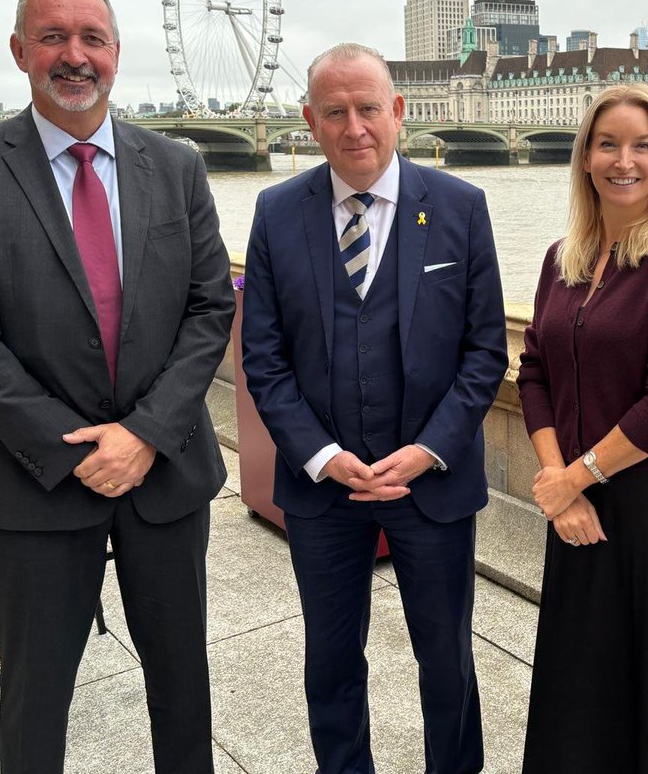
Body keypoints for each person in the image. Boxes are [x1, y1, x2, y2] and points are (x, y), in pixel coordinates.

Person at [0, 0, 234, 774]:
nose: (74, 56)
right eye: (54, 37)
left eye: (92, 38)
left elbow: (209, 311)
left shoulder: (177, 165)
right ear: (20, 51)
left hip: (163, 477)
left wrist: (144, 435)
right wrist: (76, 449)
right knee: (36, 698)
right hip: (33, 486)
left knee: (182, 685)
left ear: (117, 55)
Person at [240, 43, 507, 774]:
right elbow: (262, 359)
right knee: (329, 658)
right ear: (309, 121)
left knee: (446, 660)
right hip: (324, 492)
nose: (354, 126)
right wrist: (324, 458)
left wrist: (427, 451)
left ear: (398, 112)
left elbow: (486, 353)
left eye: (367, 108)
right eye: (334, 112)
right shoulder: (274, 213)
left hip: (432, 485)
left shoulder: (460, 208)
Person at [517, 83, 648, 773]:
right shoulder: (561, 258)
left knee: (644, 681)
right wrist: (559, 484)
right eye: (608, 144)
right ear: (585, 157)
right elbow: (534, 370)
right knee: (577, 677)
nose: (623, 160)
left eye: (641, 145)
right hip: (572, 496)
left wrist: (574, 479)